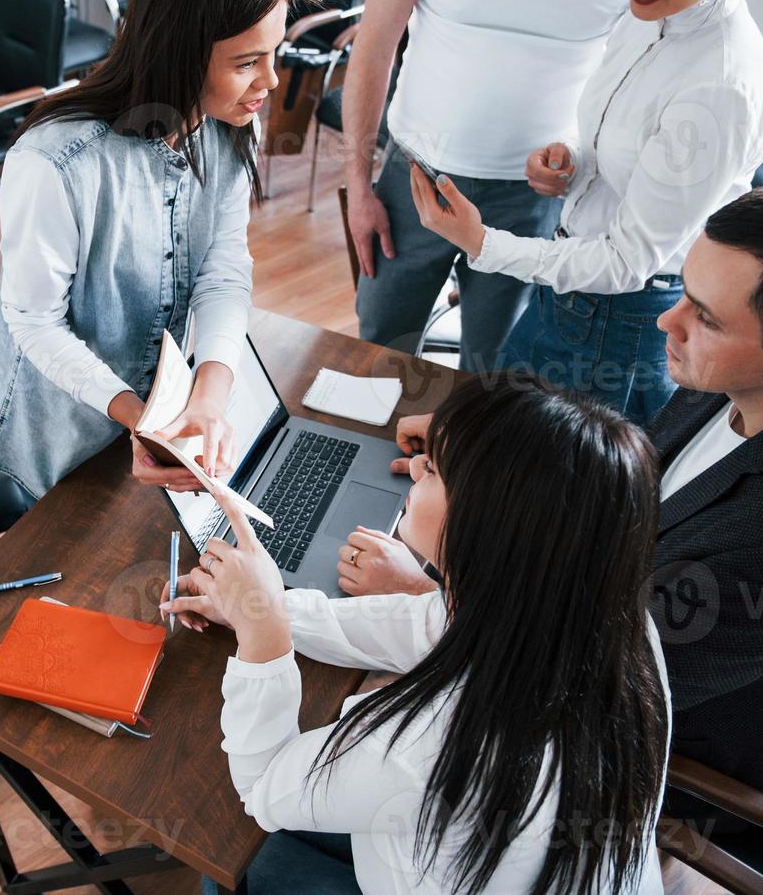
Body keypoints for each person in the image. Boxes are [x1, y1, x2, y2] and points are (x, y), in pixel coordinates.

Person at [345, 181, 763, 812]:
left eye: (705, 317)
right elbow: (636, 486)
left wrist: (431, 598)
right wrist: (489, 447)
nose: (669, 320)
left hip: (642, 741)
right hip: (609, 613)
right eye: (687, 295)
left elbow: (590, 681)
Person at [162, 377, 672, 894]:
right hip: (532, 864)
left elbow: (263, 786)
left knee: (227, 862)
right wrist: (258, 604)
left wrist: (263, 635)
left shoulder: (435, 742)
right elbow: (413, 625)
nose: (416, 466)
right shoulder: (606, 623)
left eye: (436, 470)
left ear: (487, 524)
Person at [0, 0, 314, 498]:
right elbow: (33, 322)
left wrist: (207, 397)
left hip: (162, 405)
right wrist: (145, 420)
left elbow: (222, 267)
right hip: (64, 431)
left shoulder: (232, 126)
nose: (271, 81)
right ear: (181, 50)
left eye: (274, 53)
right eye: (245, 62)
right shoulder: (54, 162)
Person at [411, 0, 763, 424]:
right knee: (495, 459)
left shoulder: (721, 84)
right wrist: (570, 159)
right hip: (564, 292)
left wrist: (482, 244)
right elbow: (613, 134)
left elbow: (627, 262)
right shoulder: (648, 13)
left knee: (550, 496)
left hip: (618, 323)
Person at [342, 0, 629, 366]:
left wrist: (574, 151)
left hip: (531, 199)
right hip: (416, 177)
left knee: (491, 367)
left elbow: (624, 82)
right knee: (382, 346)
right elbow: (374, 46)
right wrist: (358, 188)